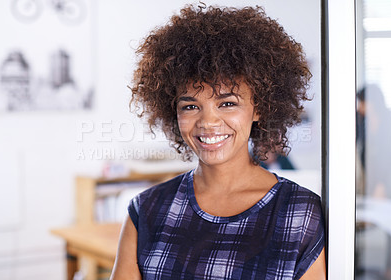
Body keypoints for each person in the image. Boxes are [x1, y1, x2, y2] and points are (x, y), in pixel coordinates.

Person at [111, 4, 326, 280]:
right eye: (190, 107)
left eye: (227, 103)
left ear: (259, 108)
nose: (208, 122)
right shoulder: (147, 211)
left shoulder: (300, 214)